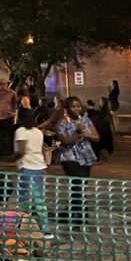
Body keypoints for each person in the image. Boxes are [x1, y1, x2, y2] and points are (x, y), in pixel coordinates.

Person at [54, 96, 99, 229]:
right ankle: (80, 217)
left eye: (78, 106)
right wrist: (77, 133)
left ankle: (69, 213)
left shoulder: (85, 120)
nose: (76, 109)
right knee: (77, 185)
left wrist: (87, 135)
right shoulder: (62, 123)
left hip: (85, 156)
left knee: (81, 187)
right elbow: (65, 141)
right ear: (67, 109)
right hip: (70, 157)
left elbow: (96, 137)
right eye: (73, 106)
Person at [14, 111, 51, 237]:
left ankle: (21, 224)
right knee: (39, 198)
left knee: (23, 198)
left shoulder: (21, 131)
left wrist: (12, 159)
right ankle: (45, 227)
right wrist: (45, 163)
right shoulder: (38, 132)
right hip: (39, 166)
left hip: (27, 167)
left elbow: (21, 151)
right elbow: (41, 149)